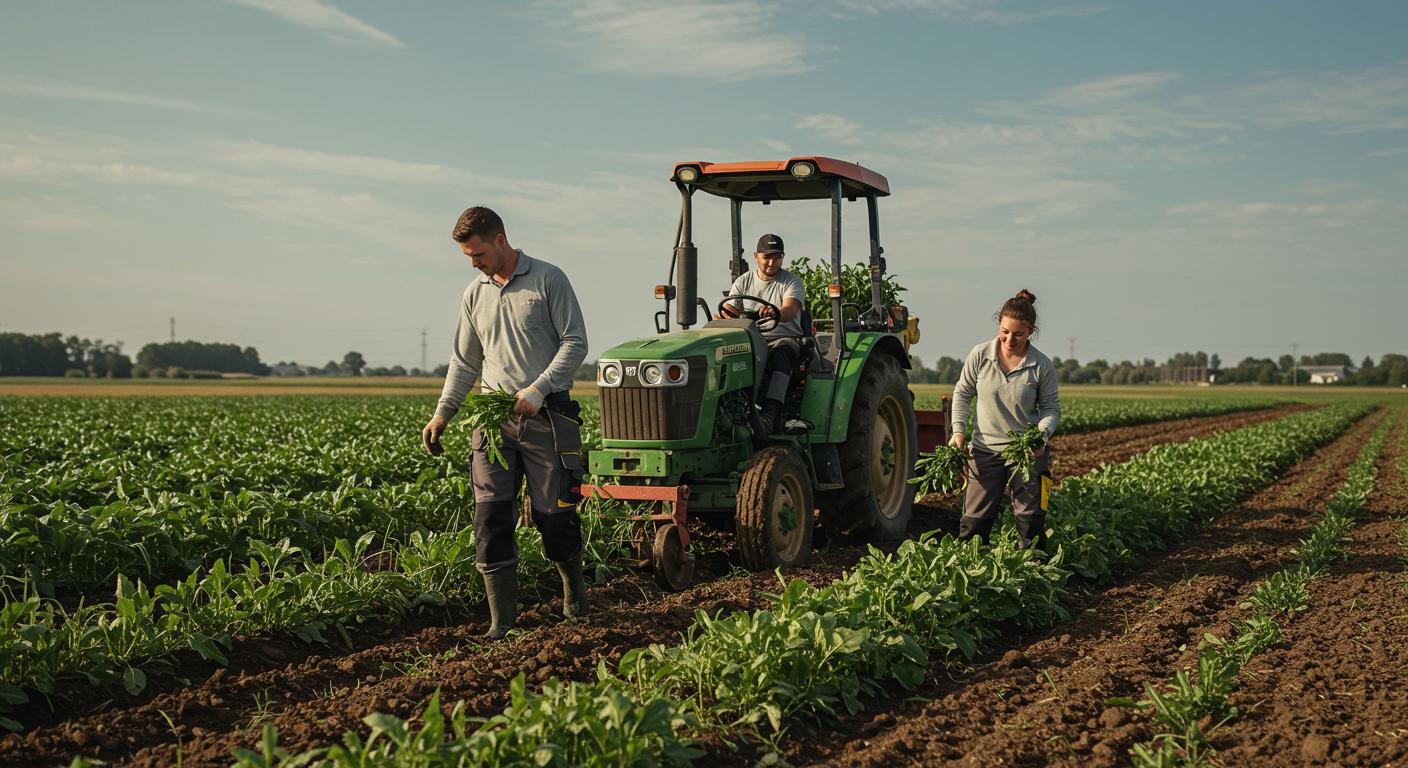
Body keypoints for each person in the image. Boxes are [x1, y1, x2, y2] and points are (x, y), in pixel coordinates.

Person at [421, 206, 590, 639]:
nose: (473, 263)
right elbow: (465, 362)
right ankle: (502, 624)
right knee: (491, 516)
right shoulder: (474, 293)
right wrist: (443, 412)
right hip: (493, 419)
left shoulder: (548, 278)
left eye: (477, 254)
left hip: (547, 414)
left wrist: (538, 389)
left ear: (500, 240)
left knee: (554, 517)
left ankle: (574, 595)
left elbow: (575, 342)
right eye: (467, 257)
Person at [948, 289, 1061, 550]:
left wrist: (1041, 435)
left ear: (1030, 331)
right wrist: (958, 432)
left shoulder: (1041, 365)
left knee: (1030, 525)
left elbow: (1051, 409)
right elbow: (962, 393)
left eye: (1018, 334)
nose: (1010, 339)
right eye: (1005, 331)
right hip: (984, 451)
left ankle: (1032, 570)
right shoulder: (980, 355)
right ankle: (973, 571)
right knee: (973, 526)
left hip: (1026, 453)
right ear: (999, 324)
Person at [720, 233, 807, 435]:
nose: (771, 262)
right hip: (750, 339)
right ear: (756, 256)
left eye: (777, 257)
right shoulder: (743, 281)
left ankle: (770, 414)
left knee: (782, 352)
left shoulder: (791, 282)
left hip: (783, 338)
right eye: (766, 257)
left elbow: (789, 310)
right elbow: (730, 309)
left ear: (782, 257)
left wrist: (775, 312)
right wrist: (725, 316)